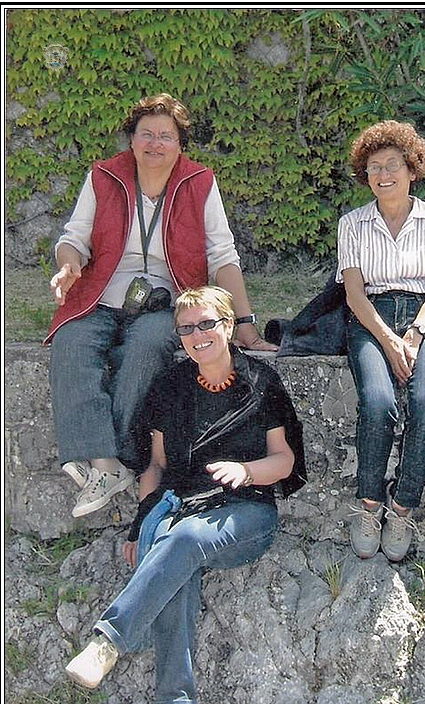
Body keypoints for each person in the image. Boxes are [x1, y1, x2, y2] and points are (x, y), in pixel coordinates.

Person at [65, 286, 305, 704]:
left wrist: (245, 471)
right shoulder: (169, 386)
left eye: (206, 324)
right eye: (187, 328)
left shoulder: (261, 382)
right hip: (184, 507)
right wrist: (142, 522)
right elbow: (155, 466)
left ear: (228, 326)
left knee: (185, 539)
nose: (197, 335)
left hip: (246, 512)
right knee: (175, 552)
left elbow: (285, 461)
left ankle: (107, 642)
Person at [47, 93, 276, 519]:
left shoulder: (199, 182)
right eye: (146, 134)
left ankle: (118, 457)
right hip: (100, 291)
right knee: (71, 342)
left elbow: (223, 255)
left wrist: (244, 323)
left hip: (166, 299)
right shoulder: (103, 176)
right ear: (131, 140)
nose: (155, 144)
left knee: (148, 346)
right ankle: (105, 463)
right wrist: (68, 266)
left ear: (180, 143)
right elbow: (73, 238)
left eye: (165, 136)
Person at [336, 120, 425, 561]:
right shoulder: (351, 224)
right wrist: (390, 340)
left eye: (393, 165)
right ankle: (369, 503)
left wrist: (413, 334)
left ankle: (402, 504)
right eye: (374, 167)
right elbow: (353, 293)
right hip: (370, 319)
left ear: (413, 169)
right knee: (378, 403)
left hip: (423, 318)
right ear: (365, 175)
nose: (383, 174)